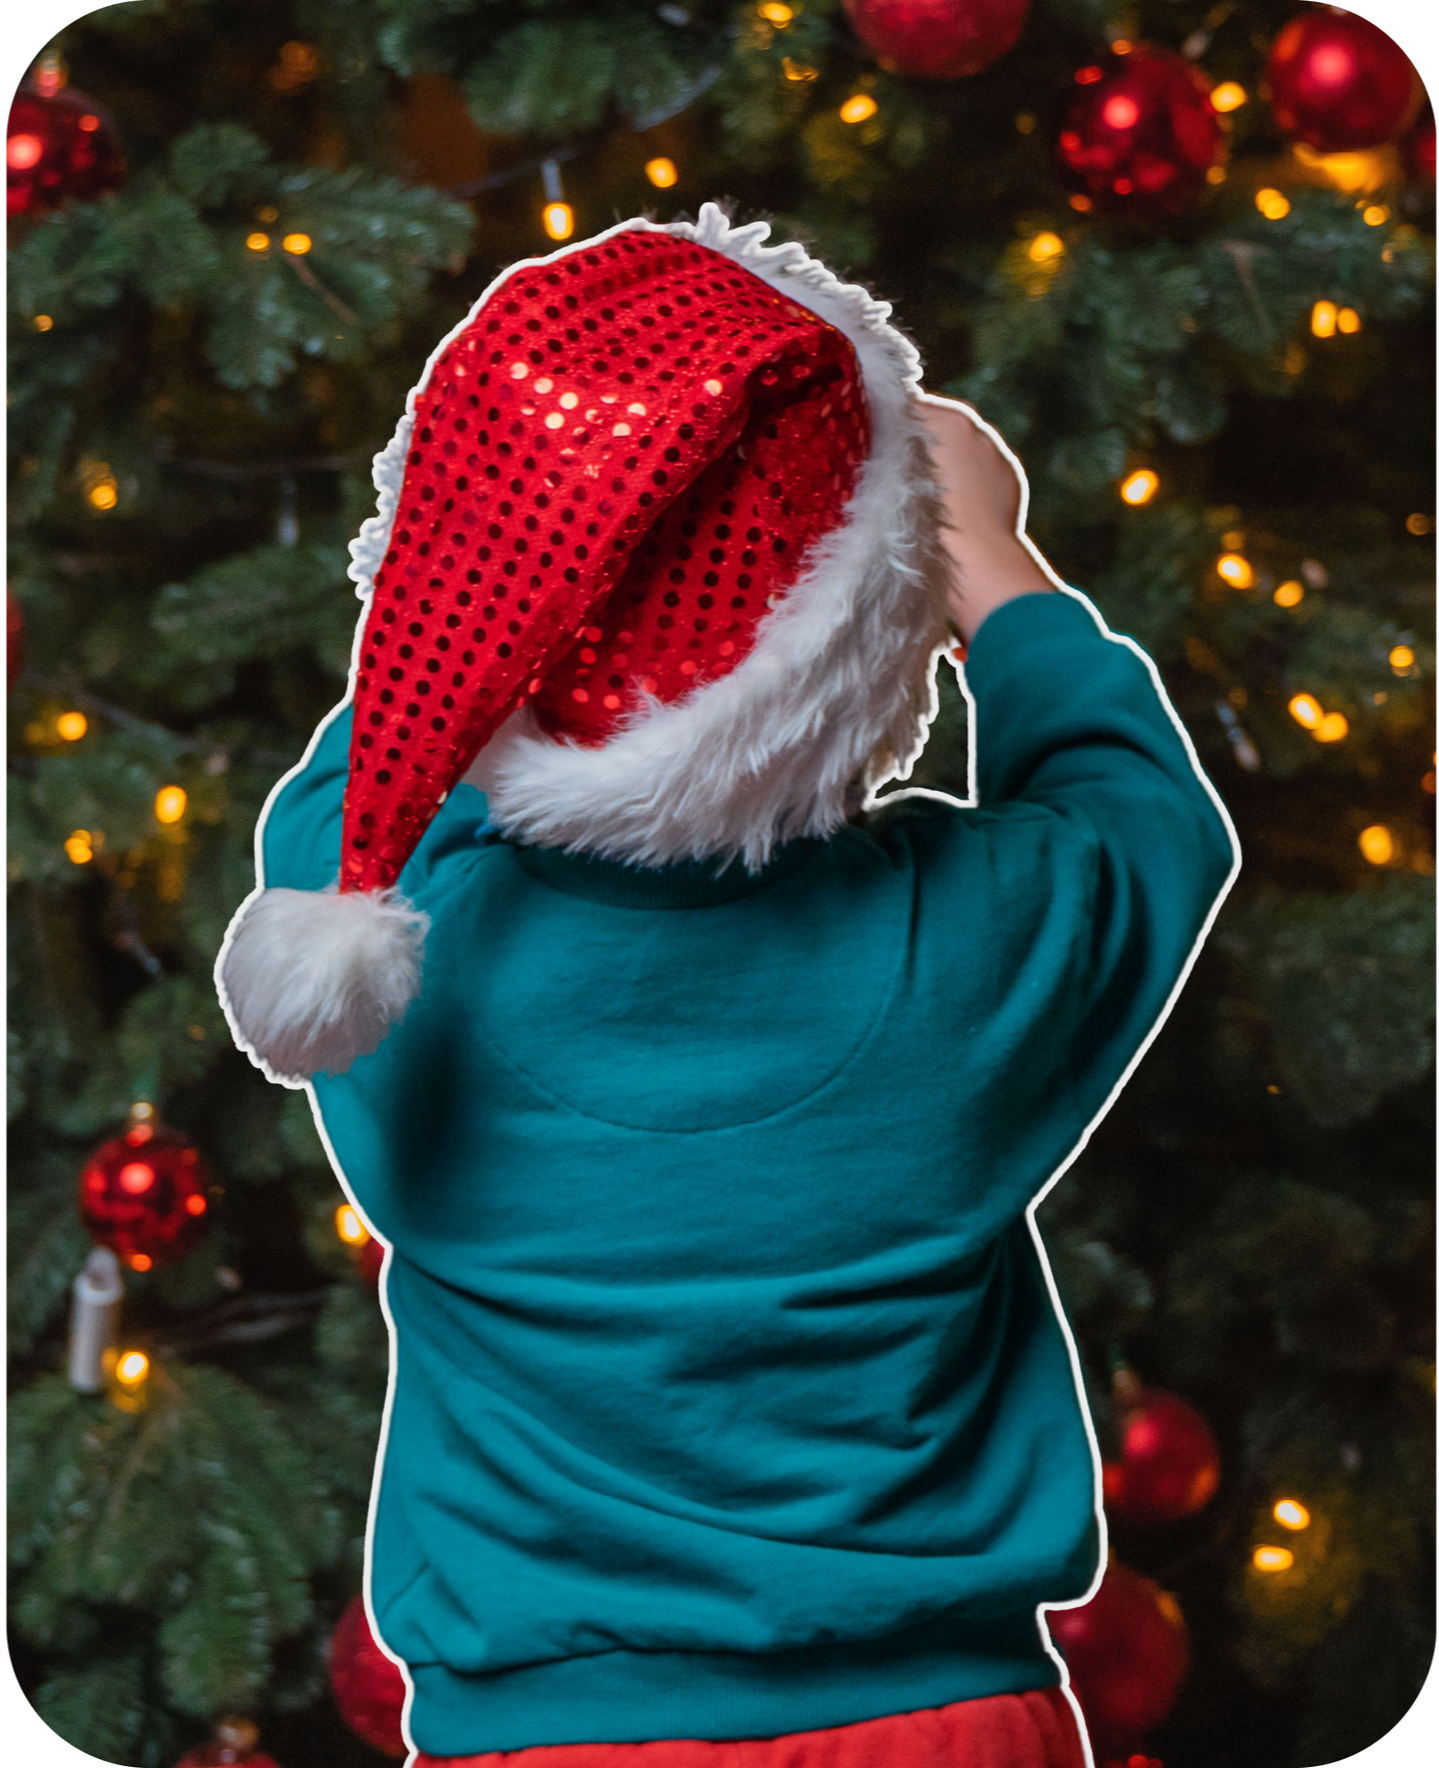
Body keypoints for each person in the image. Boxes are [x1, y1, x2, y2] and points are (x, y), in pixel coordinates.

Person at [218, 205, 1238, 1768]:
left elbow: (396, 734)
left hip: (544, 1741)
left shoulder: (382, 932)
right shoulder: (966, 941)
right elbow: (1142, 812)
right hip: (937, 1727)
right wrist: (991, 563)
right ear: (869, 625)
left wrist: (529, 528)